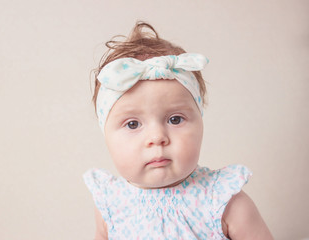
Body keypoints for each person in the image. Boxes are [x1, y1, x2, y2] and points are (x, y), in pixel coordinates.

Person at [83, 21, 273, 240]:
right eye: (133, 124)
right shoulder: (110, 204)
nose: (157, 138)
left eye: (175, 119)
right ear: (105, 134)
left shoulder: (222, 201)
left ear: (200, 122)